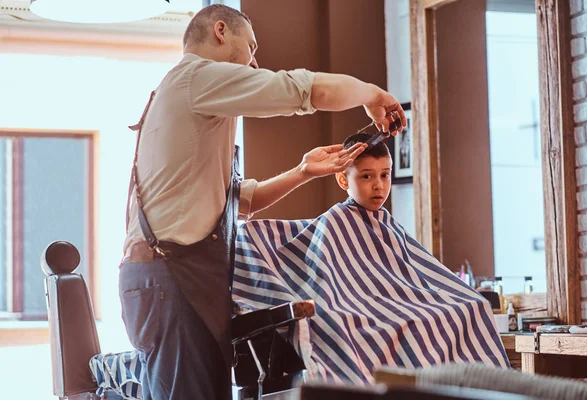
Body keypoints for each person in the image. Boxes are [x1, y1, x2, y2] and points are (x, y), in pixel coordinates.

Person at [119, 4, 406, 400]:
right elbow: (302, 89)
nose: (254, 62)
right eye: (250, 47)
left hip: (168, 278)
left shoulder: (187, 96)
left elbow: (240, 202)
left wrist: (303, 171)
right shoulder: (197, 78)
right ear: (221, 31)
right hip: (172, 279)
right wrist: (372, 94)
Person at [232, 134, 510, 383]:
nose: (379, 186)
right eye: (366, 176)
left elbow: (412, 279)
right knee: (367, 332)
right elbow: (328, 281)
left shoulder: (387, 225)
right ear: (343, 179)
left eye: (385, 175)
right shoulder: (333, 223)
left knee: (472, 307)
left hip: (395, 309)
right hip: (355, 312)